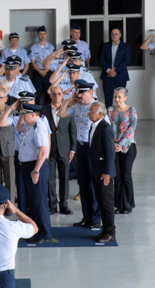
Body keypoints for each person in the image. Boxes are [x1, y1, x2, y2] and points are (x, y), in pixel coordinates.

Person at [56, 80, 101, 228]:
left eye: (82, 92)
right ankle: (87, 217)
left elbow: (104, 131)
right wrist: (69, 98)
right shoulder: (77, 106)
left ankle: (95, 218)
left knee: (93, 185)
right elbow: (60, 113)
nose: (80, 95)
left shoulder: (97, 107)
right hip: (80, 148)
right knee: (83, 184)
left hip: (92, 148)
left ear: (90, 92)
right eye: (78, 92)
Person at [17, 103, 54, 243]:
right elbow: (19, 128)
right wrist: (21, 119)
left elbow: (43, 151)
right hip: (28, 167)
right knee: (32, 201)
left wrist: (36, 170)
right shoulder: (31, 125)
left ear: (33, 114)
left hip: (35, 167)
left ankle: (44, 234)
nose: (22, 116)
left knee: (39, 201)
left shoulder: (39, 127)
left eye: (25, 114)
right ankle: (35, 230)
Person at [40, 86, 76, 215]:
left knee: (64, 178)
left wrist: (73, 149)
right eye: (54, 94)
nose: (56, 96)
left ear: (62, 95)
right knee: (50, 179)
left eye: (59, 94)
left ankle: (64, 205)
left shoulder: (68, 110)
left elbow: (72, 130)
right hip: (49, 150)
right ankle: (52, 205)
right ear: (50, 95)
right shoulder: (43, 110)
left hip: (64, 149)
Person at [87, 102, 116, 243]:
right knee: (100, 200)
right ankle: (105, 230)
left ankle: (110, 232)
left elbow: (110, 153)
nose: (89, 113)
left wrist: (107, 172)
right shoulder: (94, 126)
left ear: (100, 114)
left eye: (91, 111)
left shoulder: (105, 128)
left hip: (104, 173)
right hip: (96, 171)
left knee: (106, 203)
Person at [107, 88, 138, 214]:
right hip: (113, 147)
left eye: (119, 97)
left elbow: (131, 130)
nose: (117, 100)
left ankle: (128, 204)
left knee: (126, 176)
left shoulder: (131, 111)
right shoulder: (110, 110)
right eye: (115, 97)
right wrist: (112, 144)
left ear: (125, 97)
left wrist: (119, 145)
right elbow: (107, 128)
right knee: (117, 177)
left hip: (127, 147)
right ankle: (119, 204)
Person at [99, 28, 131, 108]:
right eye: (112, 34)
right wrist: (108, 70)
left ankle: (120, 116)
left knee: (120, 98)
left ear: (120, 35)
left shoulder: (125, 46)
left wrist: (115, 71)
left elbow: (126, 60)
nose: (114, 36)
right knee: (108, 98)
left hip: (120, 75)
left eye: (116, 34)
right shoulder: (105, 46)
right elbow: (101, 59)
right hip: (107, 75)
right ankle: (109, 118)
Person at [30, 25, 55, 105]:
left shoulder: (51, 47)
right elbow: (33, 63)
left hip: (48, 74)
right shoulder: (33, 48)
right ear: (37, 35)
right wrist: (40, 71)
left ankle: (48, 115)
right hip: (37, 73)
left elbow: (53, 61)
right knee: (36, 95)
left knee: (49, 95)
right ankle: (36, 115)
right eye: (40, 34)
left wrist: (46, 70)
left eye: (44, 33)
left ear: (46, 35)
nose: (42, 36)